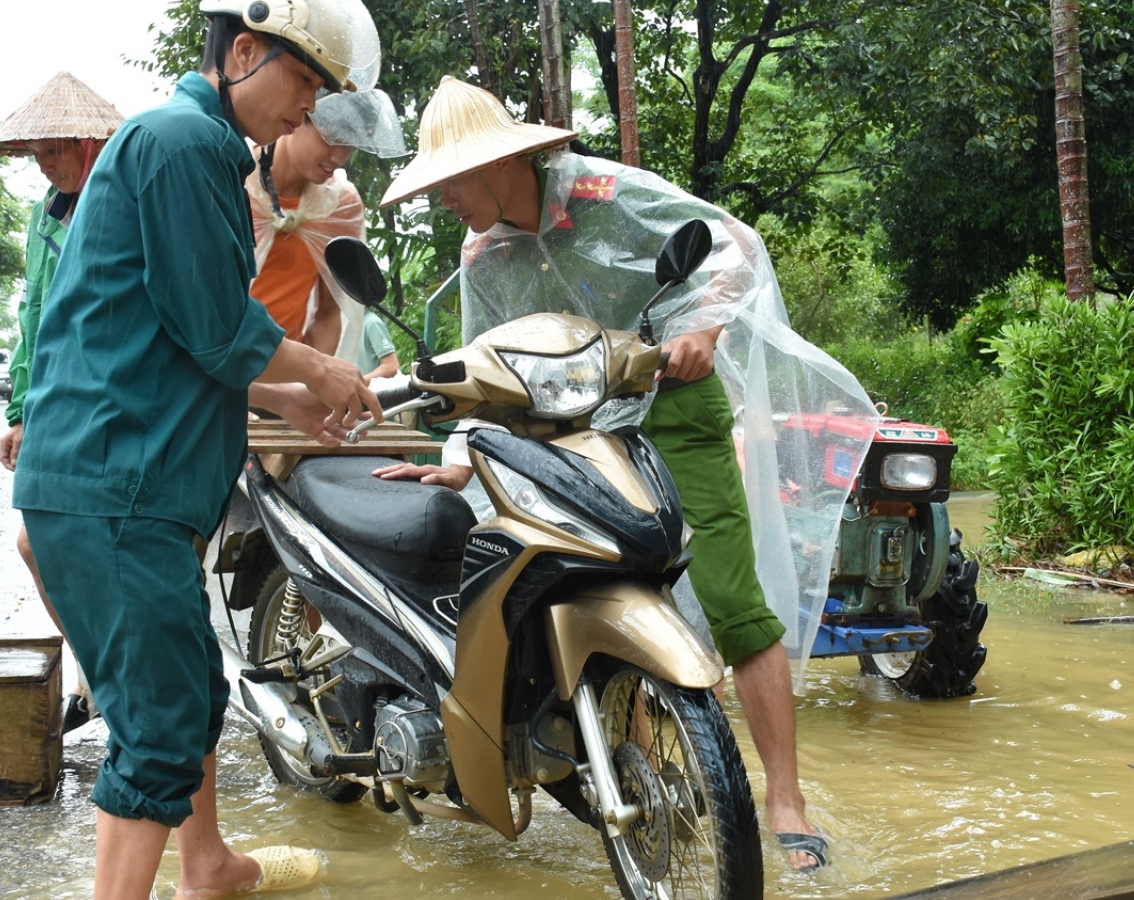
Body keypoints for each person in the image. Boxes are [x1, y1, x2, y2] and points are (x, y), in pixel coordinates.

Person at [374, 76, 879, 872]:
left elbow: (734, 243)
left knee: (731, 601)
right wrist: (458, 460)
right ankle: (649, 788)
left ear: (498, 164)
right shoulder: (482, 255)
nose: (444, 203)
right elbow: (478, 376)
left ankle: (785, 797)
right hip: (561, 434)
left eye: (449, 184)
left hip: (671, 406)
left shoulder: (605, 193)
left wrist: (706, 325)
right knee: (579, 590)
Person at [10, 1, 383, 897]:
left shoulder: (197, 148)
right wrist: (321, 375)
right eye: (304, 83)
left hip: (125, 483)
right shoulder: (185, 145)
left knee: (188, 694)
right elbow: (218, 330)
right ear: (244, 51)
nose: (311, 111)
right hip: (118, 487)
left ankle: (207, 865)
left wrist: (291, 388)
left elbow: (175, 341)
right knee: (159, 726)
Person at [0, 70, 123, 735]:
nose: (46, 166)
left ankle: (111, 680)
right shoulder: (46, 214)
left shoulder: (123, 201)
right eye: (37, 155)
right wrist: (18, 410)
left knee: (79, 544)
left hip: (112, 403)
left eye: (55, 152)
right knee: (35, 542)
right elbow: (32, 314)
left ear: (87, 143)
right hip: (56, 405)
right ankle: (96, 673)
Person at [245, 87, 405, 360]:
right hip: (215, 369)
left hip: (287, 372)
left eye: (350, 142)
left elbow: (329, 311)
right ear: (297, 117)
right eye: (331, 137)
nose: (340, 156)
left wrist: (307, 381)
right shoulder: (234, 179)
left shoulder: (340, 205)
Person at [356, 308, 398, 381]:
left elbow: (391, 366)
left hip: (368, 390)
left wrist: (359, 383)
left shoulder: (371, 323)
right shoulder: (343, 325)